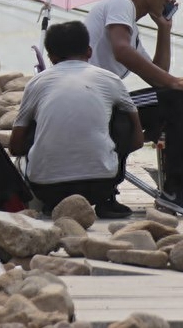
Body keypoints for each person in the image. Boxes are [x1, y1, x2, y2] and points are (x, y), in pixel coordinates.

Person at [84, 0, 183, 224]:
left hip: (102, 105)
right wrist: (173, 83)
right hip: (95, 105)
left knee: (175, 95)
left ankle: (172, 184)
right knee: (178, 96)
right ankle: (177, 188)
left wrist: (164, 30)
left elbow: (157, 76)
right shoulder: (121, 4)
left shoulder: (130, 23)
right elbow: (121, 51)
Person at [9, 21, 143, 219]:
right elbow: (137, 139)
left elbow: (15, 147)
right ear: (89, 51)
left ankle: (52, 203)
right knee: (122, 116)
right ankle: (109, 200)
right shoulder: (110, 79)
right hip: (100, 186)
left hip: (48, 189)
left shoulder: (37, 82)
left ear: (51, 57)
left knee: (34, 122)